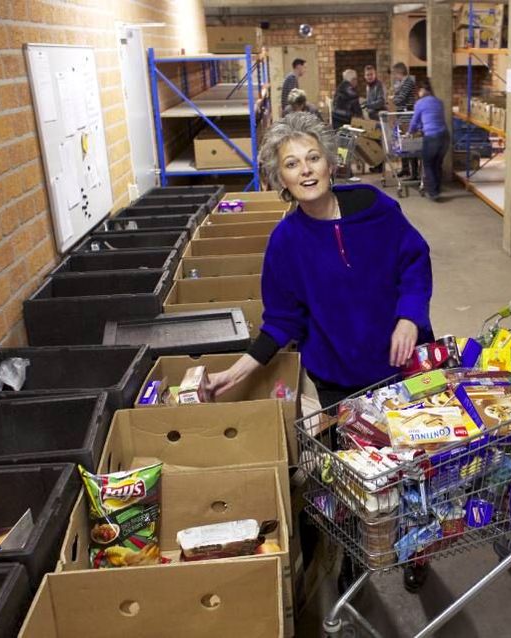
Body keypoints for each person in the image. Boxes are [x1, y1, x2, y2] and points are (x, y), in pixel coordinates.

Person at [206, 112, 434, 592]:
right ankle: (354, 558)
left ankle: (419, 546)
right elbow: (281, 321)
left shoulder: (375, 207)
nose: (306, 170)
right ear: (280, 177)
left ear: (330, 163)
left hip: (401, 366)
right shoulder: (285, 243)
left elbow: (414, 261)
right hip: (338, 378)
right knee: (353, 481)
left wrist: (409, 316)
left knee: (415, 467)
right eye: (292, 164)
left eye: (313, 158)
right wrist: (241, 368)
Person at [408, 78, 449, 201]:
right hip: (444, 137)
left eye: (418, 90)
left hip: (431, 137)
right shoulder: (439, 102)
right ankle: (437, 189)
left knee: (428, 164)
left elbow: (414, 122)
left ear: (422, 90)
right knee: (437, 164)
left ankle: (433, 192)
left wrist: (409, 132)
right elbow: (432, 117)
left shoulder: (420, 103)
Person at [391, 62, 418, 180]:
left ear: (399, 72)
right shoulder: (402, 83)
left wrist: (393, 98)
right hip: (402, 117)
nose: (394, 76)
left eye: (395, 73)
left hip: (407, 117)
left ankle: (414, 172)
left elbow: (399, 99)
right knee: (402, 144)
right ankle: (405, 168)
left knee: (410, 145)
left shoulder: (408, 82)